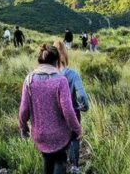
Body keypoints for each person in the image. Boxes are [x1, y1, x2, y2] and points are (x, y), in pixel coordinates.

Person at [19, 45, 82, 174]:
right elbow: (68, 111)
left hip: (40, 135)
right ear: (57, 62)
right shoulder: (61, 81)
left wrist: (23, 127)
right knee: (60, 161)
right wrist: (77, 128)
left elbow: (23, 110)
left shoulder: (29, 80)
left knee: (47, 160)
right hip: (60, 135)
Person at [53, 40, 91, 173]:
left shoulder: (48, 76)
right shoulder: (73, 75)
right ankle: (74, 166)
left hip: (54, 115)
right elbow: (82, 96)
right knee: (74, 138)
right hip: (73, 113)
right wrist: (84, 107)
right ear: (65, 55)